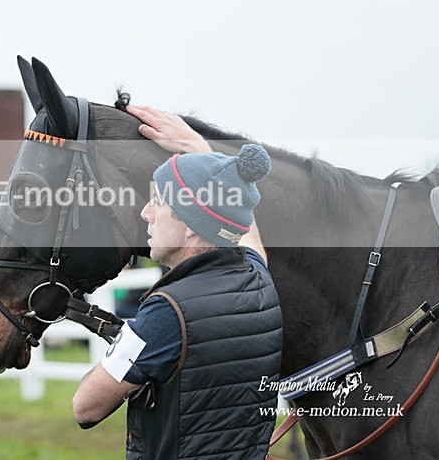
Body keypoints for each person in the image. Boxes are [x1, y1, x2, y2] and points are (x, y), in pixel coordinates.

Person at [72, 105, 283, 459]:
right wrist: (203, 152)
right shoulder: (258, 278)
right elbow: (246, 232)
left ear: (189, 221)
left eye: (157, 201)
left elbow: (85, 407)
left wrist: (133, 339)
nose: (145, 213)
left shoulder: (166, 313)